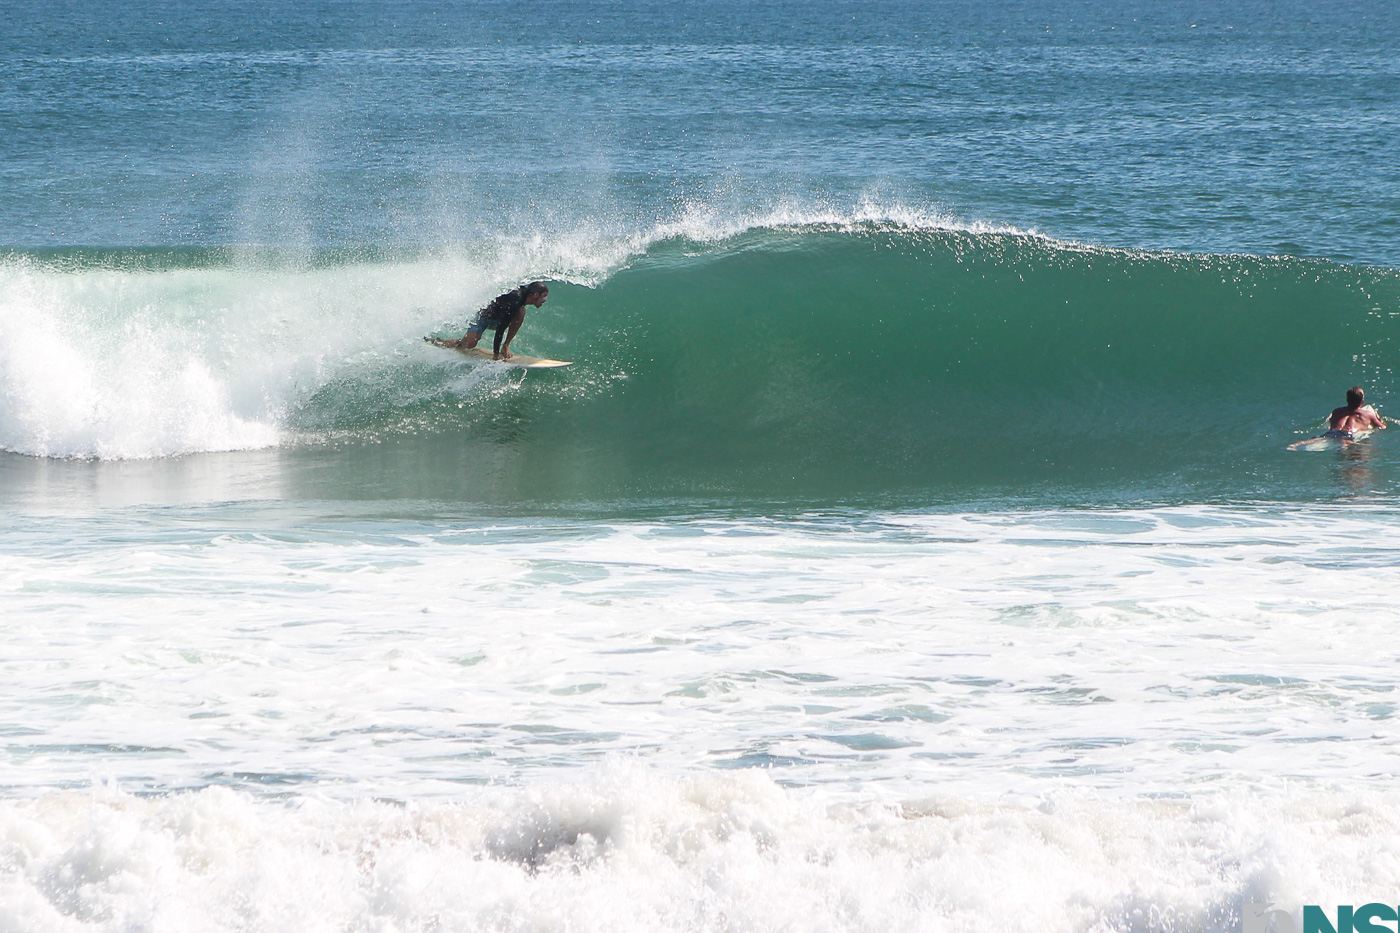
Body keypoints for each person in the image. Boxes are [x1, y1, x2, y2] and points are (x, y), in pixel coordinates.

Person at [433, 282, 549, 360]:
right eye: (544, 296)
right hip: (483, 317)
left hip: (497, 318)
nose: (545, 300)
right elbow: (500, 329)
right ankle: (441, 342)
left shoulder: (522, 300)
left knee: (521, 312)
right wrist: (496, 354)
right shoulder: (515, 301)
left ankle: (506, 346)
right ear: (535, 295)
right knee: (469, 344)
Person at [1287, 386, 1387, 448]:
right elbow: (1382, 427)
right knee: (1346, 446)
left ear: (1347, 399)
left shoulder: (1337, 411)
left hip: (1332, 432)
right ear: (1362, 402)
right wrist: (1378, 418)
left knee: (1317, 438)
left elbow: (1329, 423)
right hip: (1348, 434)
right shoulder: (1368, 414)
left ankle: (1295, 445)